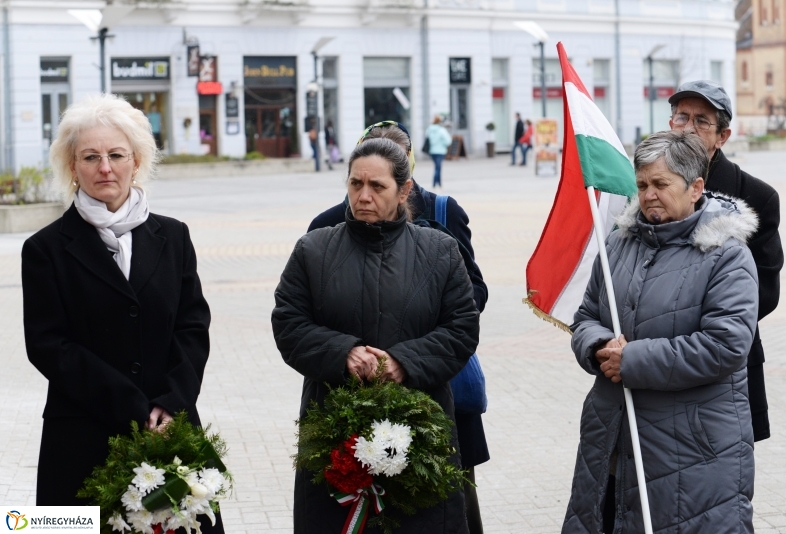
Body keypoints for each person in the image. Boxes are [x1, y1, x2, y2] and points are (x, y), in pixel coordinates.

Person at [21, 94, 224, 531]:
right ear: (72, 167)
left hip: (169, 427)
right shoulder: (45, 250)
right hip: (81, 438)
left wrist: (171, 403)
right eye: (90, 157)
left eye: (116, 155)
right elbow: (48, 346)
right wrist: (134, 408)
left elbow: (192, 326)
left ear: (137, 161)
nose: (105, 168)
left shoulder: (174, 236)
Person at [273, 137, 480, 533]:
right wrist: (343, 354)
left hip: (422, 439)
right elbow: (289, 323)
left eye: (377, 186)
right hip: (334, 439)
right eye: (355, 184)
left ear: (404, 190)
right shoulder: (313, 250)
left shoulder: (441, 252)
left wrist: (404, 362)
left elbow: (461, 329)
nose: (363, 196)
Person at [563, 130, 758, 533]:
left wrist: (631, 360)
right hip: (613, 437)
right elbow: (585, 316)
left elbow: (726, 345)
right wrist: (598, 345)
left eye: (661, 184)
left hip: (691, 449)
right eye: (642, 185)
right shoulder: (618, 243)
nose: (649, 194)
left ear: (695, 188)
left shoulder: (727, 255)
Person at [668, 80, 783, 442]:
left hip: (726, 363)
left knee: (722, 481)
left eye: (701, 121)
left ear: (723, 136)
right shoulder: (649, 190)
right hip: (657, 363)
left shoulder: (757, 197)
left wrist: (688, 321)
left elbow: (764, 291)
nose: (687, 128)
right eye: (681, 117)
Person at [425, 115, 452, 188]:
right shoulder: (441, 130)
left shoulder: (429, 129)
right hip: (440, 151)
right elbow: (448, 141)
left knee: (437, 166)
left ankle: (439, 183)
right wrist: (442, 144)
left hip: (432, 151)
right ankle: (435, 183)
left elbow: (427, 137)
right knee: (438, 167)